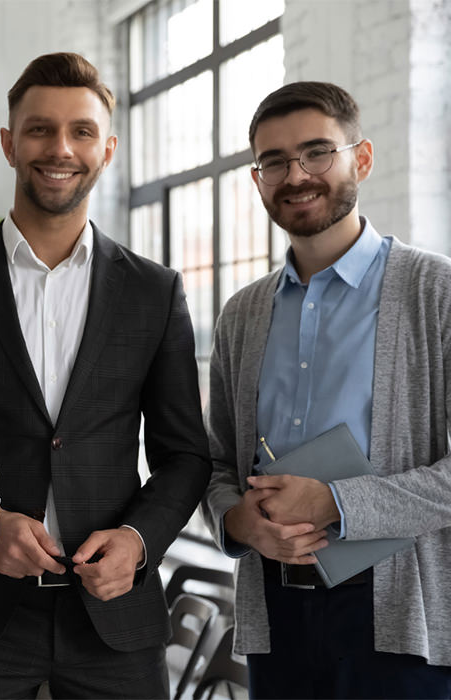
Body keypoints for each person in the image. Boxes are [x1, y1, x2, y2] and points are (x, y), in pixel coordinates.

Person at [0, 52, 212, 698]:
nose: (60, 148)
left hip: (115, 615)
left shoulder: (154, 292)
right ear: (9, 143)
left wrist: (138, 540)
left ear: (107, 149)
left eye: (81, 131)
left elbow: (185, 455)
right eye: (40, 129)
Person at [202, 81, 451, 698]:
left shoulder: (435, 293)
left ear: (359, 160)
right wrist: (235, 519)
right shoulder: (242, 314)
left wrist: (336, 503)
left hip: (396, 613)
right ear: (257, 178)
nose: (297, 175)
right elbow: (212, 463)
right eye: (275, 162)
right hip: (273, 609)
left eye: (317, 153)